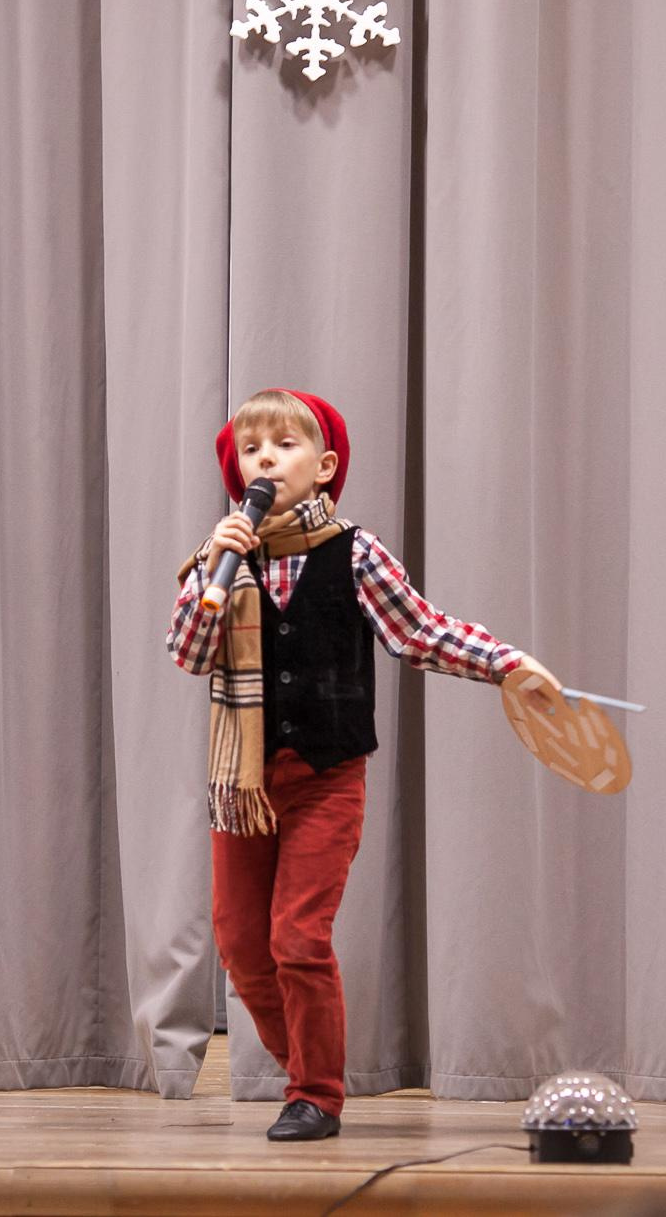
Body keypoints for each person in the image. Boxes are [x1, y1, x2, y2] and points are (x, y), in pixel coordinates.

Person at [167, 387, 558, 1141]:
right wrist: (217, 567)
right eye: (251, 450)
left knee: (297, 936)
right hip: (243, 784)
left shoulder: (355, 552)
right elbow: (187, 653)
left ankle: (317, 1091)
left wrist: (507, 664)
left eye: (284, 445)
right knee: (243, 944)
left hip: (326, 776)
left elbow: (421, 633)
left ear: (325, 466)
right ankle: (302, 1069)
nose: (265, 459)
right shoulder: (221, 562)